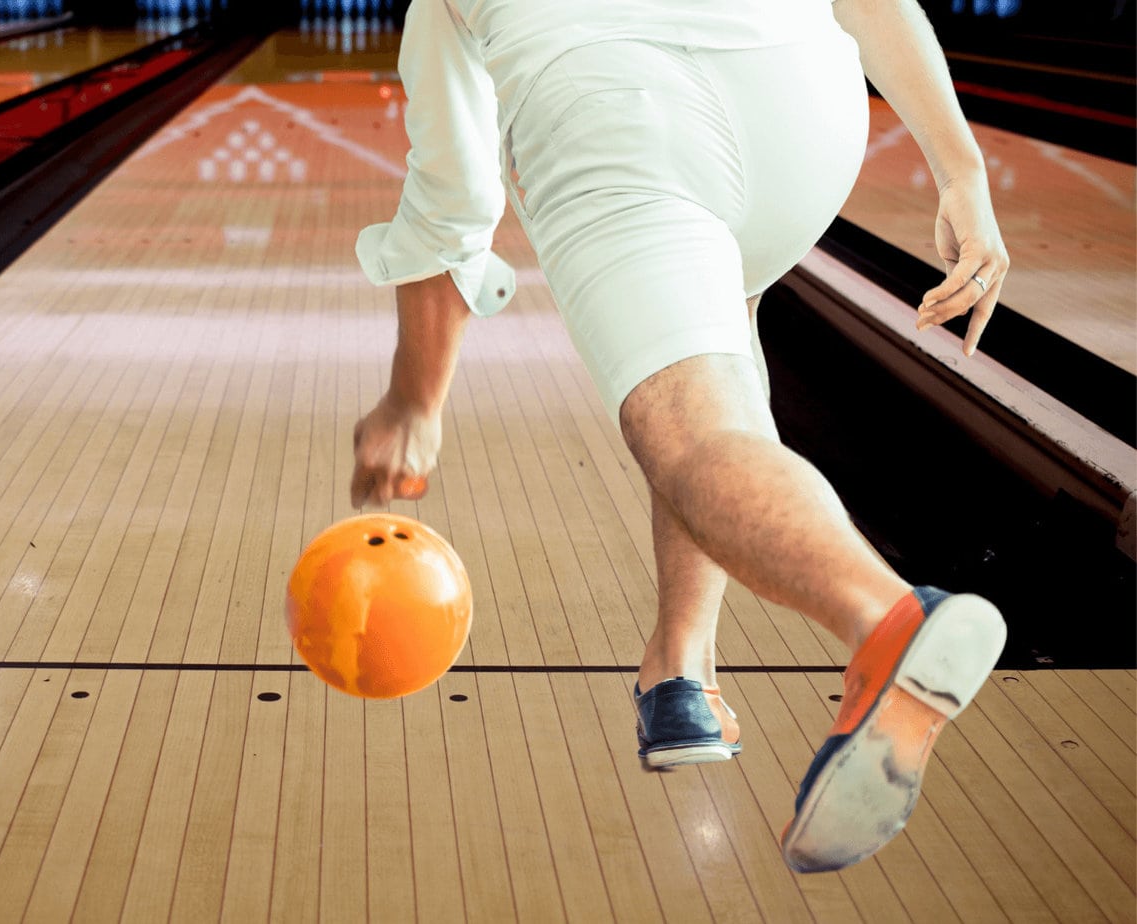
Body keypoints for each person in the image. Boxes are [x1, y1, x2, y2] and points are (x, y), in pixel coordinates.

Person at [349, 0, 1011, 873]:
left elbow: (452, 204)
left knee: (691, 431)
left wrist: (413, 401)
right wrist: (961, 171)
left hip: (618, 115)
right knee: (709, 357)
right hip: (801, 110)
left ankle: (888, 622)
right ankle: (679, 676)